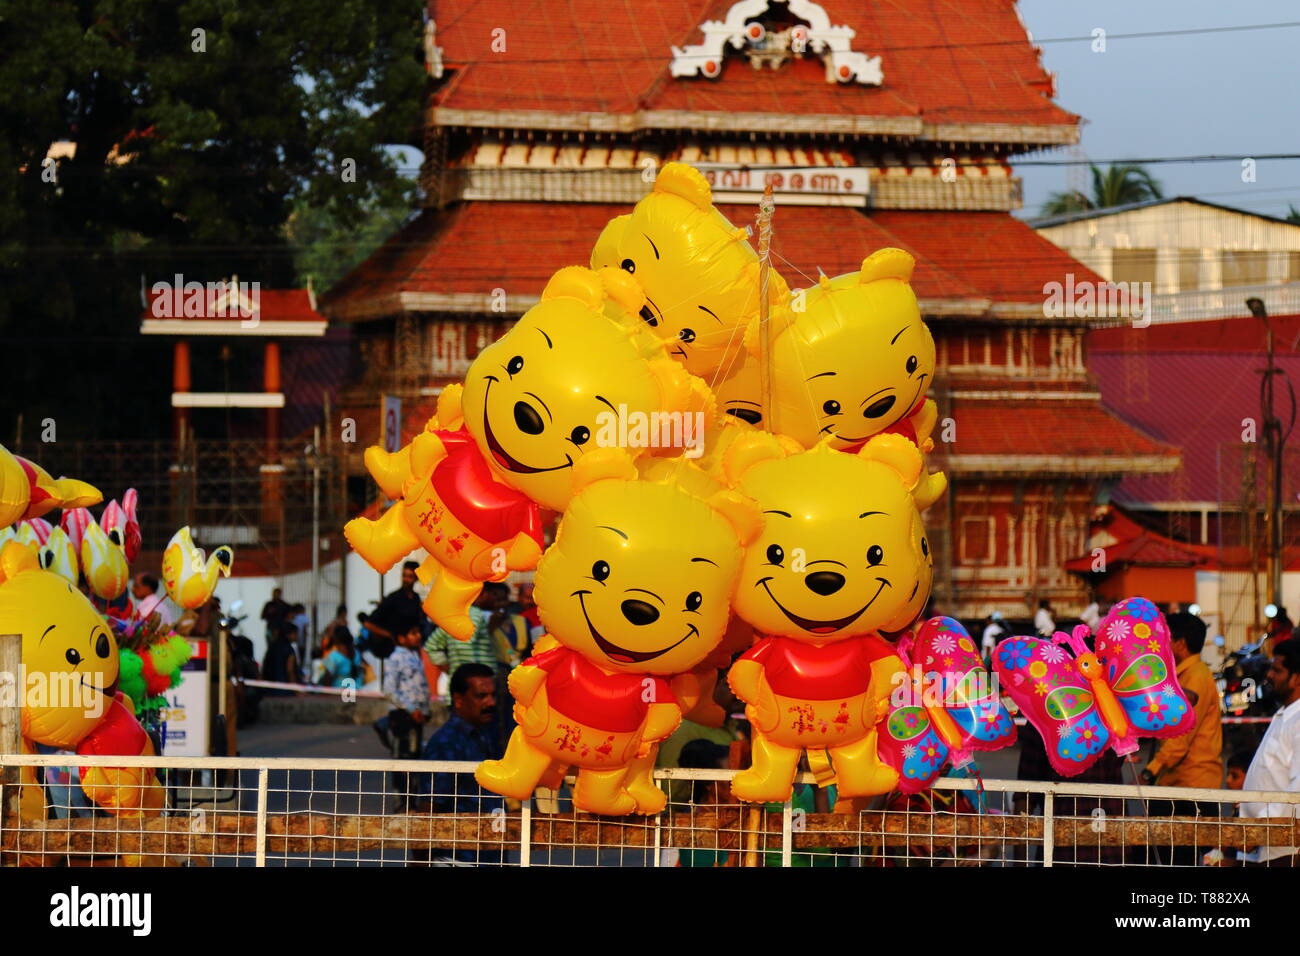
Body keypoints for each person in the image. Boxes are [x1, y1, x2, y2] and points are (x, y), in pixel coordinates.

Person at [1140, 611, 1224, 865]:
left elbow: (1180, 736)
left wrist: (1151, 770)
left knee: (1179, 858)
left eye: (1166, 639)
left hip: (1189, 786)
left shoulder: (1195, 677)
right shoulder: (1182, 675)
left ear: (1181, 643)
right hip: (1181, 783)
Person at [415, 662, 504, 864]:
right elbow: (429, 808)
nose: (490, 702)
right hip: (457, 857)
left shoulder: (486, 733)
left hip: (490, 853)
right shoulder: (446, 743)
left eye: (493, 695)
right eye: (481, 696)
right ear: (458, 700)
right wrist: (421, 858)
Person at [1237, 639, 1300, 866]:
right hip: (1263, 846)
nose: (1269, 676)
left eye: (1277, 670)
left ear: (1297, 678)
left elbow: (1297, 792)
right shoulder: (1285, 714)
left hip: (1283, 850)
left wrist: (1261, 830)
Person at [366, 562, 425, 648]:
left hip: (412, 648)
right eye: (404, 575)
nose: (405, 579)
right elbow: (369, 624)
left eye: (410, 577)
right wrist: (391, 636)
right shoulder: (394, 597)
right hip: (396, 649)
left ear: (416, 579)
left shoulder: (416, 598)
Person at [261, 623, 301, 695]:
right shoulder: (289, 649)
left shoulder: (272, 647)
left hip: (269, 690)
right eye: (295, 633)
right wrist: (296, 690)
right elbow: (290, 671)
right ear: (288, 634)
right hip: (285, 690)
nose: (297, 636)